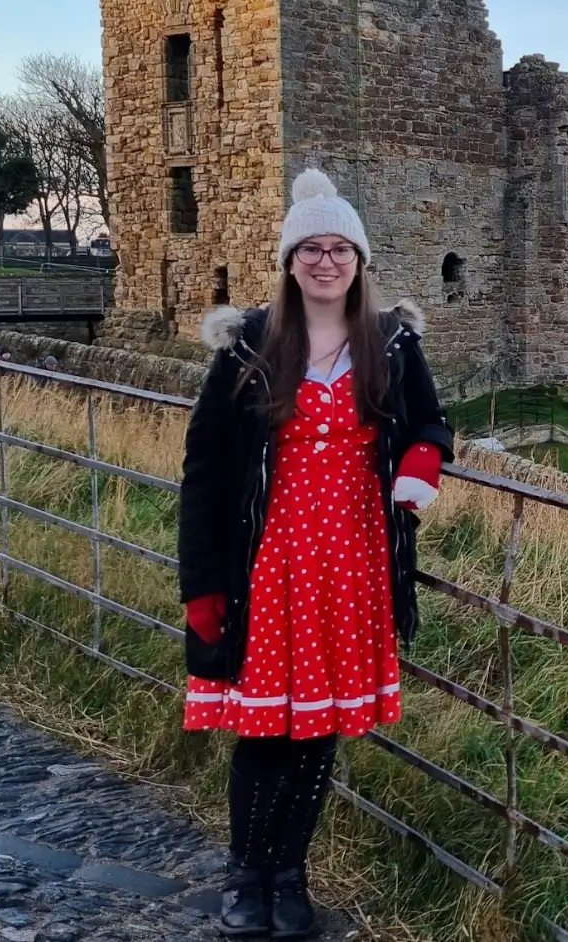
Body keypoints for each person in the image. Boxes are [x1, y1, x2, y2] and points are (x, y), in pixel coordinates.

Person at [177, 169, 452, 938]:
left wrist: (419, 469)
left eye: (340, 249)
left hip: (354, 563)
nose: (325, 262)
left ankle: (290, 876)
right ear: (290, 260)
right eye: (310, 250)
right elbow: (204, 471)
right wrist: (201, 584)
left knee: (317, 733)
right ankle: (246, 877)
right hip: (267, 564)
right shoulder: (249, 348)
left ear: (359, 261)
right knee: (265, 732)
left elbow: (431, 426)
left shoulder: (392, 343)